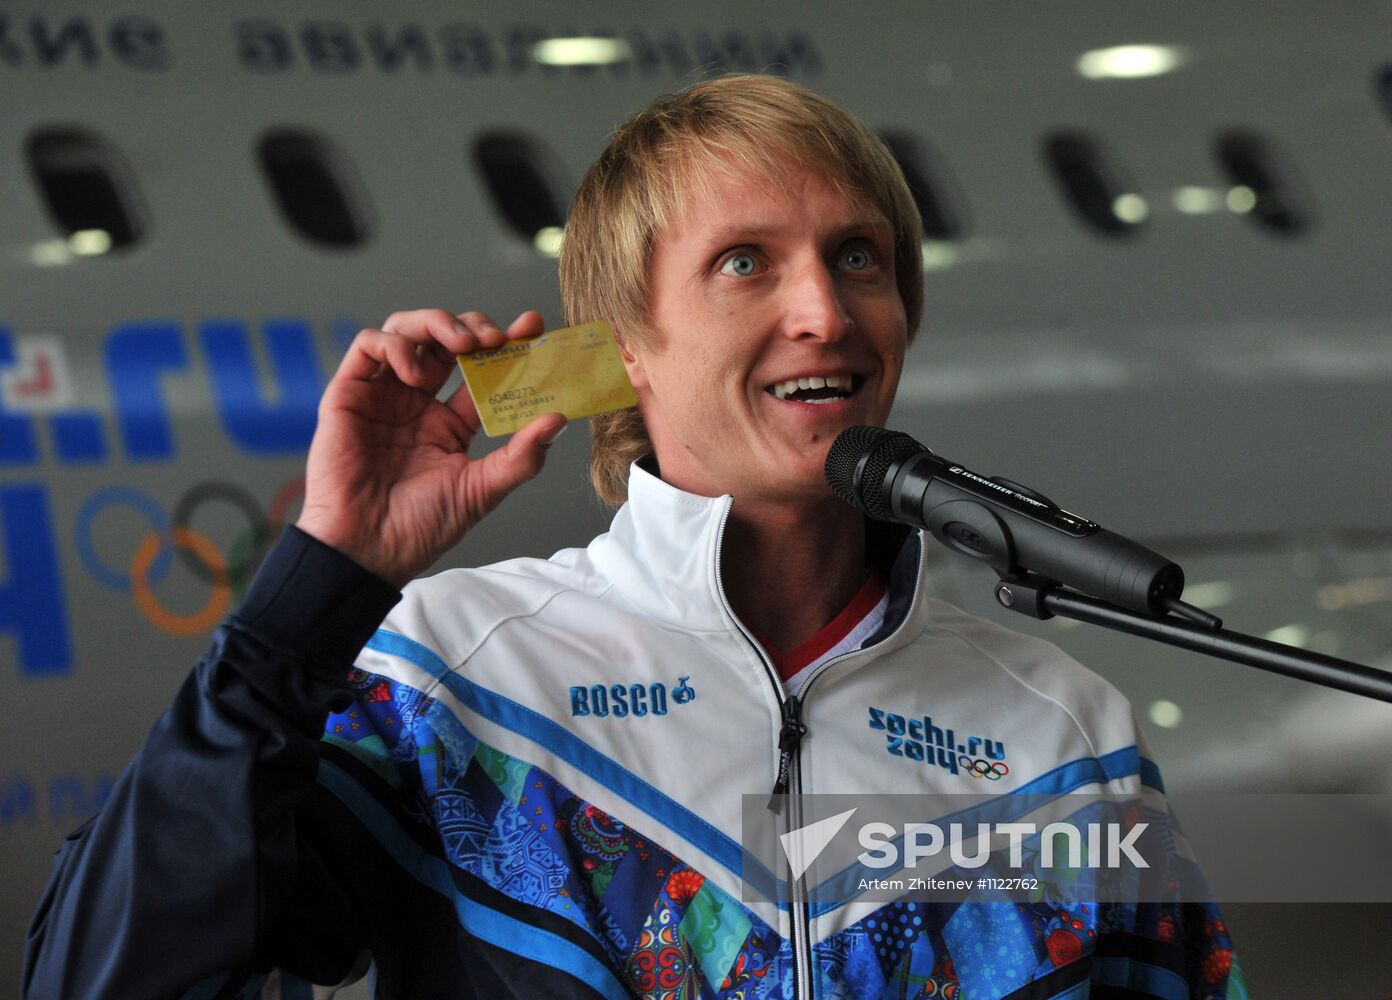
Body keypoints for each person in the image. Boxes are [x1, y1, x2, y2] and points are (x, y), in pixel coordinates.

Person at [23, 75, 1243, 999]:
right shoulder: (455, 681)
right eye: (745, 263)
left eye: (858, 257)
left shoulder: (1062, 732)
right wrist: (323, 582)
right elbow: (100, 972)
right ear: (624, 346)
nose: (823, 311)